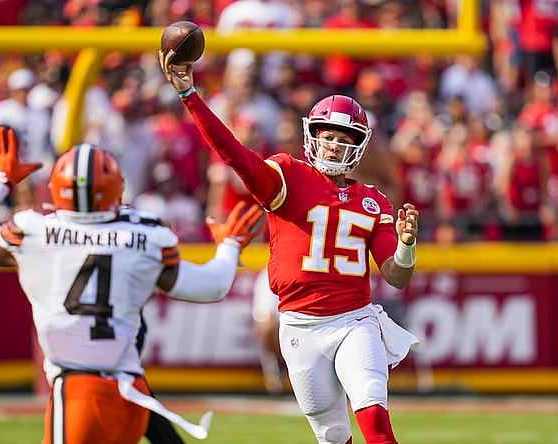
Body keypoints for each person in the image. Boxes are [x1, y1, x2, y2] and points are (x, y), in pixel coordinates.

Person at [160, 52, 421, 444]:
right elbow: (235, 155)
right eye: (327, 136)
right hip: (300, 325)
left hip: (355, 320)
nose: (333, 146)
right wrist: (190, 95)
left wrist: (406, 247)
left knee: (375, 418)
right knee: (333, 435)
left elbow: (396, 277)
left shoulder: (374, 201)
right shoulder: (288, 175)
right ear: (312, 137)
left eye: (343, 139)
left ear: (359, 146)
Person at [0, 125, 264, 444]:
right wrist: (230, 246)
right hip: (131, 395)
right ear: (117, 188)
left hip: (80, 389)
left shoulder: (33, 232)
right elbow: (211, 286)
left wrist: (0, 181)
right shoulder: (143, 237)